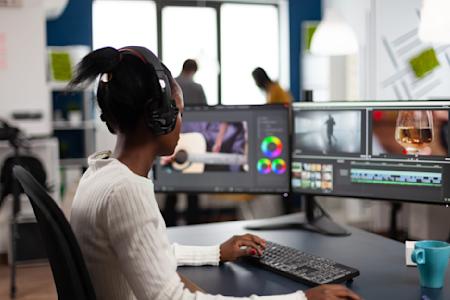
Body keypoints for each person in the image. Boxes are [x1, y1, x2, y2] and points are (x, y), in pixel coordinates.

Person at [69, 46, 361, 300]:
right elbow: (173, 298)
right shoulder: (126, 191)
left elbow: (145, 255)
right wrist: (301, 298)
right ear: (160, 116)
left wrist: (215, 253)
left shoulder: (100, 172)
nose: (183, 123)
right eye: (180, 111)